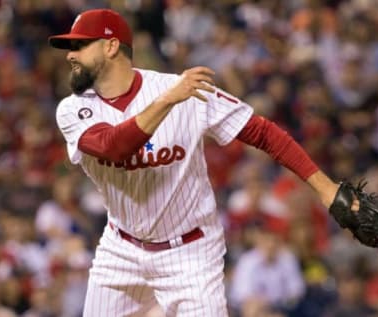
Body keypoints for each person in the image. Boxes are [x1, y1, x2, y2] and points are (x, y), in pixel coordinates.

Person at [48, 8, 345, 317]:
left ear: (111, 46)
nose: (71, 55)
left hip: (189, 252)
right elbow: (112, 148)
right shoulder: (74, 109)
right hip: (121, 249)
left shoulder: (180, 90)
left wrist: (326, 189)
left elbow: (261, 132)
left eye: (80, 45)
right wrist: (166, 101)